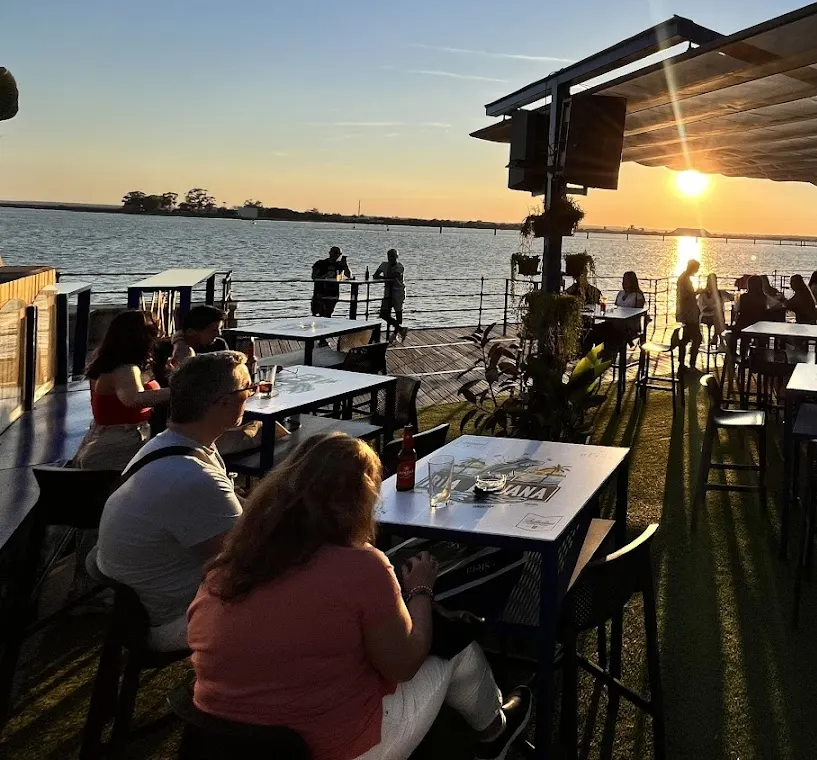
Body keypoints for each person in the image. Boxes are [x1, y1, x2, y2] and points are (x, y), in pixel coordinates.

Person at [188, 434, 532, 760]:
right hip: (329, 748)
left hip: (222, 742)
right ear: (360, 500)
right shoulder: (361, 567)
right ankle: (495, 732)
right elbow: (405, 665)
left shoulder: (226, 569)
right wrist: (421, 590)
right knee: (458, 648)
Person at [97, 352, 248, 650]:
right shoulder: (193, 477)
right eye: (248, 389)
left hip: (138, 606)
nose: (251, 396)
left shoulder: (167, 445)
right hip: (171, 620)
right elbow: (247, 559)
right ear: (223, 402)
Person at [78, 310, 169, 470]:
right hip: (120, 440)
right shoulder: (126, 369)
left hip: (107, 435)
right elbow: (134, 399)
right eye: (153, 331)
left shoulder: (110, 364)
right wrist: (178, 390)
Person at [676, 259, 702, 369]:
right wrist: (698, 292)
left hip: (688, 313)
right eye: (696, 269)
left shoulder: (684, 278)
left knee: (686, 338)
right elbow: (686, 296)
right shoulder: (684, 279)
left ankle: (683, 362)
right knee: (696, 338)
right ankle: (690, 364)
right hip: (689, 314)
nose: (697, 271)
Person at [374, 250, 407, 340]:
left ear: (397, 257)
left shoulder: (399, 267)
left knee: (398, 312)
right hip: (388, 291)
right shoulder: (384, 265)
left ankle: (396, 332)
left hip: (398, 292)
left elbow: (394, 276)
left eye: (393, 256)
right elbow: (375, 275)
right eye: (389, 256)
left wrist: (382, 277)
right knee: (383, 313)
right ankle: (400, 329)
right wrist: (381, 277)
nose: (391, 258)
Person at [311, 247, 349, 318]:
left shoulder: (339, 265)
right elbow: (314, 276)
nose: (336, 255)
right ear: (330, 253)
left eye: (339, 254)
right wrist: (324, 277)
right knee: (316, 314)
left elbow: (348, 276)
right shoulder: (320, 263)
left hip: (333, 294)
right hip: (320, 293)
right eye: (335, 253)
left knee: (328, 314)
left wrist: (345, 266)